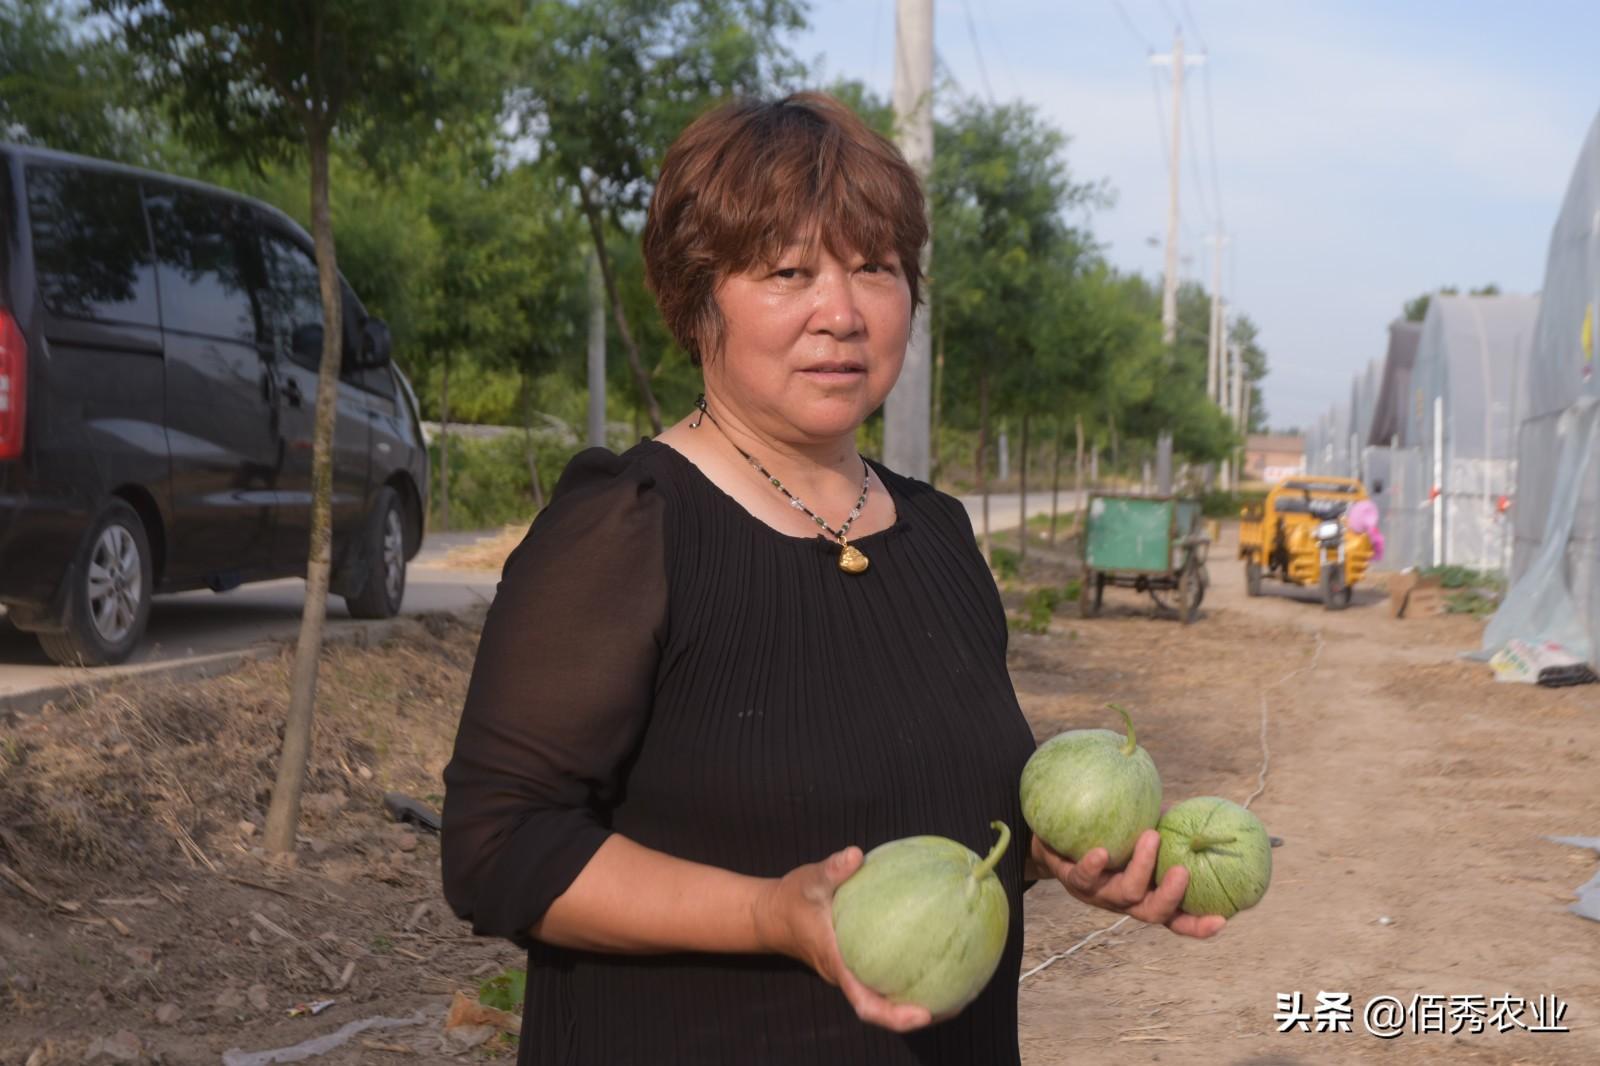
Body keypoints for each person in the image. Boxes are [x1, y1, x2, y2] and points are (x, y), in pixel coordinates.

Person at [441, 91, 1223, 1066]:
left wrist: (1057, 860)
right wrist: (771, 915)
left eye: (875, 269)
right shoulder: (629, 525)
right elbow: (497, 847)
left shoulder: (935, 532)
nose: (842, 313)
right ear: (698, 297)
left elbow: (938, 817)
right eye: (787, 272)